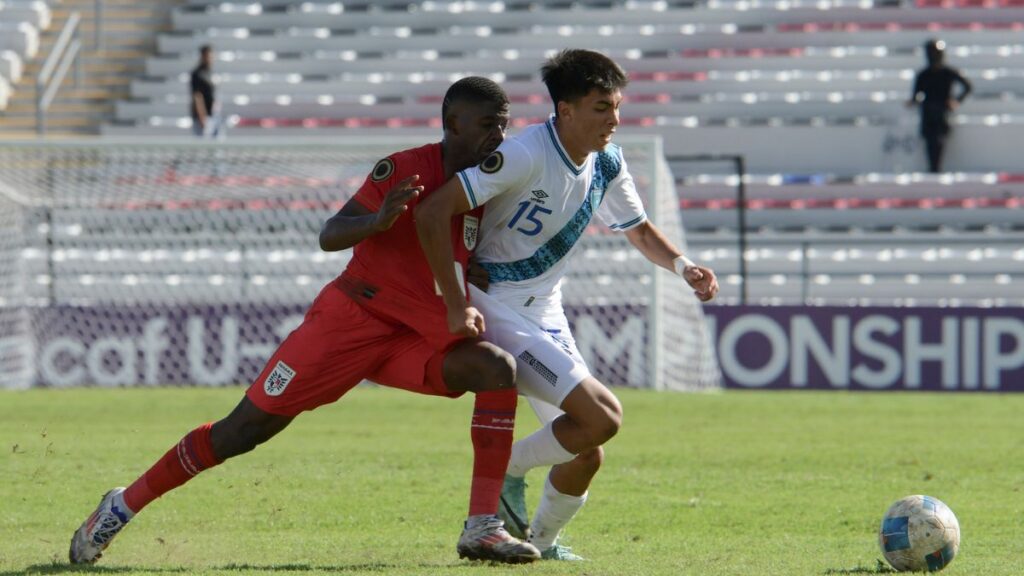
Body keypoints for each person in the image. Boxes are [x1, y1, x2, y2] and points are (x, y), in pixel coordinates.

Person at [68, 77, 542, 565]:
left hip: (410, 337)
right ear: (452, 124)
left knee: (494, 369)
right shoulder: (403, 168)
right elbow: (330, 232)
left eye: (503, 125)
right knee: (241, 432)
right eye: (487, 125)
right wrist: (376, 222)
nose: (498, 137)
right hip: (350, 322)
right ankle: (121, 506)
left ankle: (482, 527)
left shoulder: (486, 185)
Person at [415, 49, 719, 560]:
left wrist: (682, 265)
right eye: (602, 107)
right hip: (496, 304)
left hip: (546, 310)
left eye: (618, 107)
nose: (615, 120)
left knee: (586, 449)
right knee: (603, 416)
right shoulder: (525, 153)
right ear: (566, 109)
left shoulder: (608, 161)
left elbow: (638, 230)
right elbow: (436, 207)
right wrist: (454, 291)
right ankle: (508, 468)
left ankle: (541, 543)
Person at [906, 39, 971, 173]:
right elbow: (916, 96)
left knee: (939, 140)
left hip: (942, 113)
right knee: (930, 141)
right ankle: (933, 169)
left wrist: (957, 101)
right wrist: (913, 102)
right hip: (928, 113)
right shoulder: (923, 75)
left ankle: (936, 169)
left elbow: (967, 87)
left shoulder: (948, 73)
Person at [190, 44, 223, 138]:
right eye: (208, 56)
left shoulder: (211, 72)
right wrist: (202, 117)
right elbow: (197, 96)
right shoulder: (197, 74)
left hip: (214, 115)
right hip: (204, 117)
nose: (210, 58)